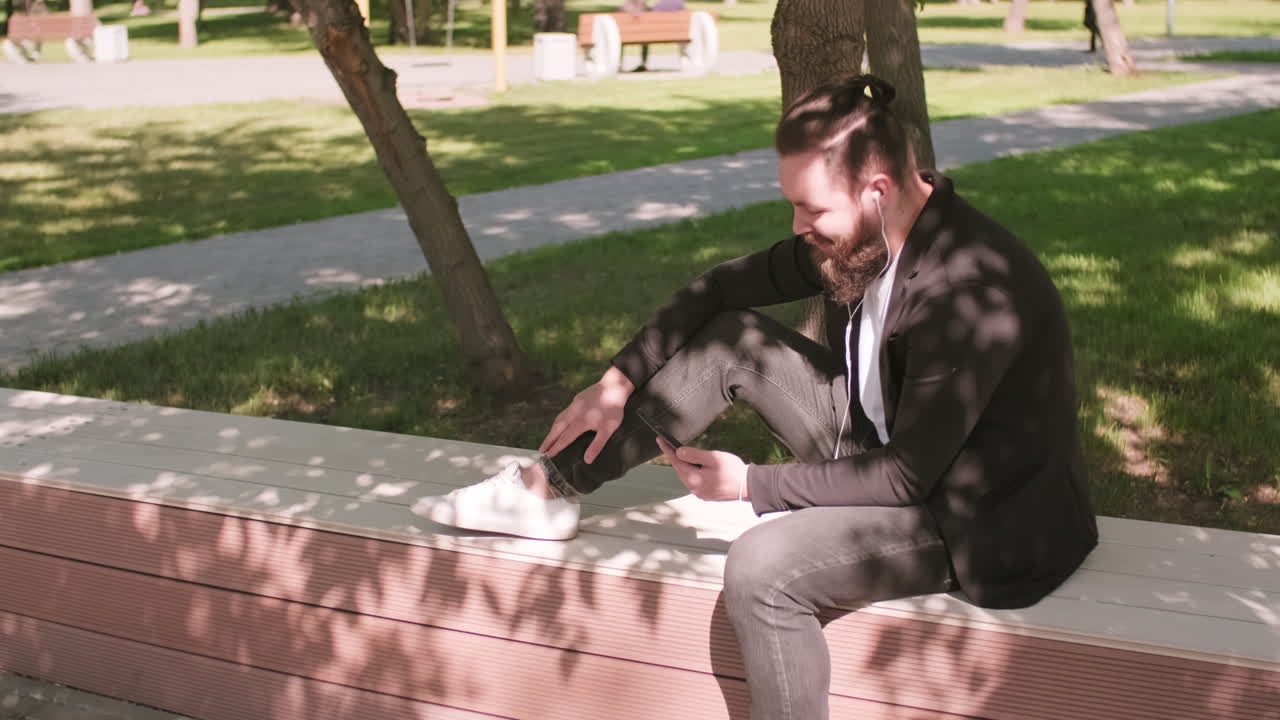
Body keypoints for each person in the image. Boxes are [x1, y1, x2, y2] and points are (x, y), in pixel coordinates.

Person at [412, 75, 1099, 719]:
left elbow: (909, 476)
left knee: (763, 568)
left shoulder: (968, 292)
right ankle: (549, 489)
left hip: (974, 518)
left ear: (877, 191)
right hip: (882, 444)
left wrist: (755, 485)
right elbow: (718, 290)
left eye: (811, 208)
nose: (799, 225)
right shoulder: (864, 235)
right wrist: (615, 382)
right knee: (731, 338)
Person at [621, 0, 686, 72]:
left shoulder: (658, 5)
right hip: (676, 33)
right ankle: (684, 60)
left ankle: (643, 63)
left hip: (642, 35)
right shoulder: (679, 3)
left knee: (644, 37)